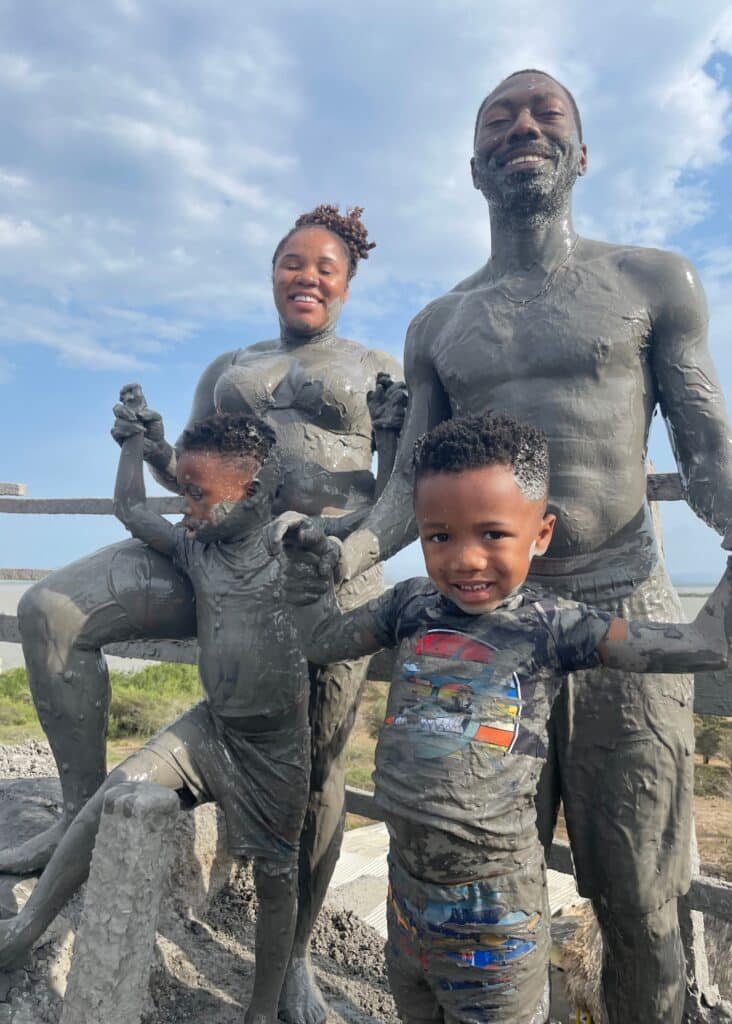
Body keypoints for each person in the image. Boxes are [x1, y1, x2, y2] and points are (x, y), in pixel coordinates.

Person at [332, 72, 732, 1023]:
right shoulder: (437, 324)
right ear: (474, 167)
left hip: (621, 606)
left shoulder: (652, 279)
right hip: (481, 625)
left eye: (547, 114)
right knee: (462, 845)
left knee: (638, 894)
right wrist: (336, 554)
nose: (524, 126)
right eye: (499, 119)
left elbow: (706, 446)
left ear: (582, 154)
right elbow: (405, 492)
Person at [12, 204, 405, 1024]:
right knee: (49, 607)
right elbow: (189, 468)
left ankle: (290, 956)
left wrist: (358, 549)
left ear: (348, 281)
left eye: (325, 266)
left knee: (322, 762)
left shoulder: (376, 366)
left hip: (318, 567)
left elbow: (398, 483)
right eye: (291, 262)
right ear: (272, 274)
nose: (307, 276)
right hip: (211, 551)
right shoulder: (231, 365)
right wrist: (150, 441)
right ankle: (79, 817)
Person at [273, 413, 732, 1024]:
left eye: (492, 534)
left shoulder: (554, 626)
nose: (465, 559)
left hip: (495, 917)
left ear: (541, 533)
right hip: (404, 896)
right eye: (438, 537)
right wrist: (305, 575)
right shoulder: (410, 605)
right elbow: (323, 638)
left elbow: (705, 644)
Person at [0, 407, 333, 1024]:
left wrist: (390, 448)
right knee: (112, 795)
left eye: (198, 495)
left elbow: (381, 523)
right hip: (209, 730)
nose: (186, 509)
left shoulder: (287, 549)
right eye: (182, 492)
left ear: (254, 493)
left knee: (276, 877)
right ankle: (23, 931)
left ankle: (262, 1010)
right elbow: (131, 511)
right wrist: (132, 445)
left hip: (275, 753)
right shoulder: (195, 549)